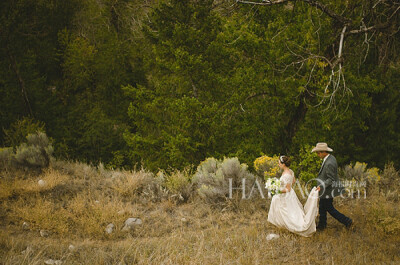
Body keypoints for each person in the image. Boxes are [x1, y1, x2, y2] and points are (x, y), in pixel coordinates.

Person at [267, 155, 319, 237]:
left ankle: (290, 227)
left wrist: (277, 190)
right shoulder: (290, 171)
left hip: (286, 195)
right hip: (290, 195)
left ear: (283, 164)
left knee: (288, 212)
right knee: (290, 210)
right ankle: (283, 226)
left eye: (279, 163)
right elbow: (293, 181)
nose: (278, 164)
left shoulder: (287, 174)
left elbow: (288, 189)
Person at [312, 142, 353, 231]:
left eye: (318, 153)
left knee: (329, 208)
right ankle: (322, 225)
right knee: (322, 207)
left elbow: (331, 179)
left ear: (323, 152)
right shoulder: (330, 158)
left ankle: (347, 221)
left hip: (328, 189)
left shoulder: (329, 162)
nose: (317, 155)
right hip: (326, 189)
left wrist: (321, 186)